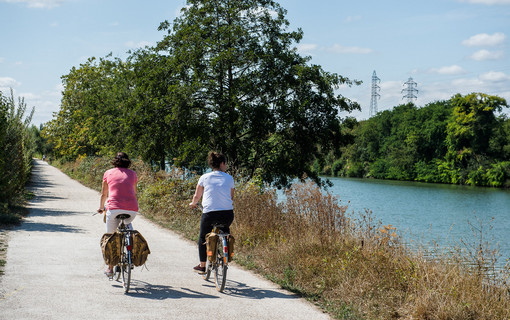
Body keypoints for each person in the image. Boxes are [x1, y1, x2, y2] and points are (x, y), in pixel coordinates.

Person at [189, 151, 235, 273]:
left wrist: (193, 204)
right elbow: (231, 197)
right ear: (221, 164)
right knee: (225, 231)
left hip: (210, 214)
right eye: (225, 164)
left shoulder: (204, 177)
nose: (226, 166)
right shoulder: (230, 178)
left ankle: (202, 265)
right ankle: (226, 253)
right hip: (227, 214)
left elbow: (197, 196)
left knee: (203, 236)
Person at [97, 152, 138, 277]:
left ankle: (110, 267)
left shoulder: (108, 173)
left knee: (111, 237)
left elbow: (104, 194)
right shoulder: (133, 174)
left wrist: (100, 208)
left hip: (113, 209)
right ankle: (130, 247)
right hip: (132, 209)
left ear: (115, 161)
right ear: (127, 161)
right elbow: (134, 192)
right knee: (127, 224)